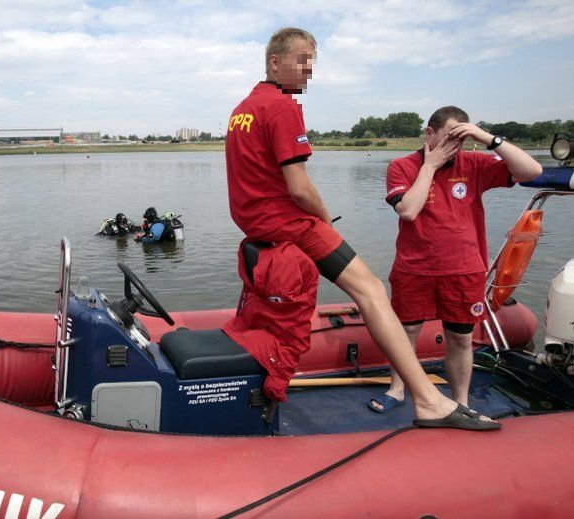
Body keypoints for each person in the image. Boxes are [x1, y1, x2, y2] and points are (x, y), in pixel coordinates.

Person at [225, 27, 499, 430]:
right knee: (372, 290)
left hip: (259, 229)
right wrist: (323, 215)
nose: (308, 71)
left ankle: (416, 393)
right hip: (293, 225)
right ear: (274, 62)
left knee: (363, 290)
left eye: (312, 62)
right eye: (302, 61)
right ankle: (427, 400)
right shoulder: (282, 107)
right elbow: (299, 189)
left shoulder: (241, 111)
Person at [368, 106, 542, 413]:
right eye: (449, 137)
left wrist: (486, 137)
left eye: (461, 138)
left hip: (464, 269)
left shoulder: (474, 163)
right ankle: (397, 390)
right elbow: (408, 210)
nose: (454, 146)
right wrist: (430, 166)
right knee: (405, 332)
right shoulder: (402, 166)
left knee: (460, 339)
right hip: (414, 267)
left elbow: (532, 171)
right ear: (429, 133)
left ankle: (460, 402)